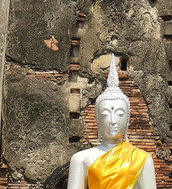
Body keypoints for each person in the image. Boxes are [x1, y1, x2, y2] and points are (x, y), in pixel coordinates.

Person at [67, 57, 156, 189]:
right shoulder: (81, 159)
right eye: (105, 114)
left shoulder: (141, 159)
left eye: (119, 114)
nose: (113, 120)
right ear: (97, 119)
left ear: (127, 120)